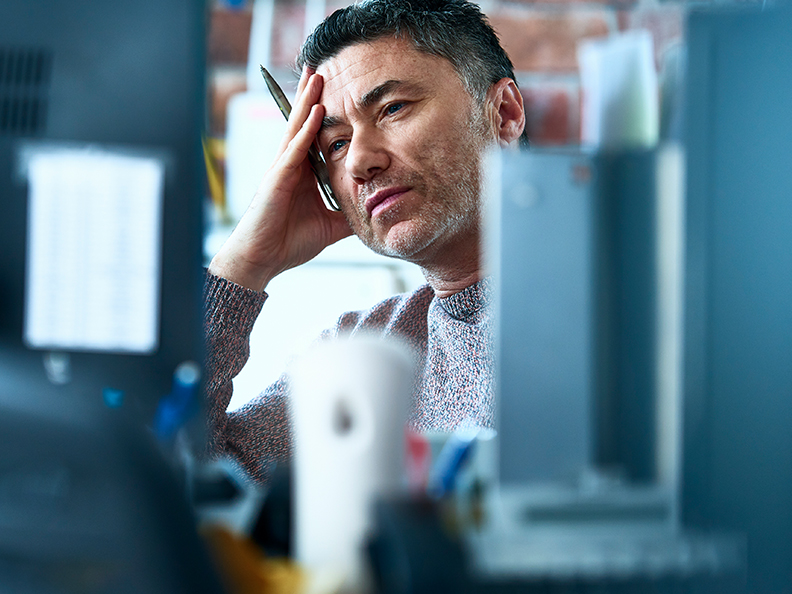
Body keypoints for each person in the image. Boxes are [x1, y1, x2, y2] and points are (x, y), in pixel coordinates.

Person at [204, 0, 527, 483]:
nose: (358, 163)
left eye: (393, 108)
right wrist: (242, 266)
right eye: (335, 144)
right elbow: (185, 483)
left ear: (503, 114)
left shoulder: (630, 312)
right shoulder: (361, 353)